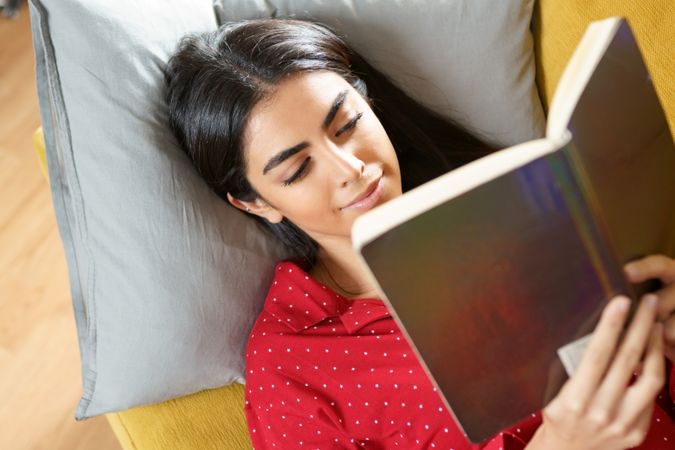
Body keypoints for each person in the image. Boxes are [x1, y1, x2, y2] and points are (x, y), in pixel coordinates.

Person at [163, 18, 675, 449]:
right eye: (297, 170)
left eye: (346, 124)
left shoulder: (520, 211)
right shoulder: (293, 366)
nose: (351, 168)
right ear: (254, 201)